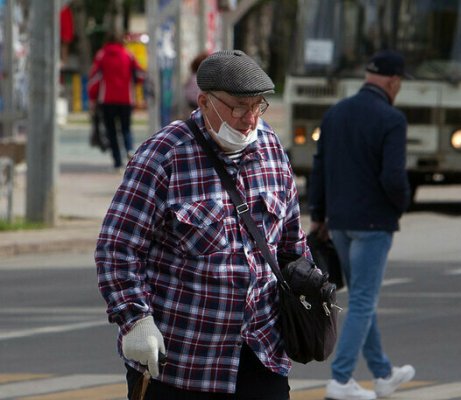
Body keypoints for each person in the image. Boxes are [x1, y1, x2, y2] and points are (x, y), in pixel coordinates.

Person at [95, 49, 310, 400]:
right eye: (238, 107)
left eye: (258, 106)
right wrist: (135, 319)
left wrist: (309, 288)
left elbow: (291, 243)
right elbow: (117, 248)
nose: (249, 118)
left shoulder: (271, 148)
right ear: (205, 101)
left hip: (262, 354)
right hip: (182, 364)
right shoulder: (163, 155)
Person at [309, 50, 415, 400]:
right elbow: (393, 178)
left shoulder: (336, 113)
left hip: (339, 223)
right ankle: (340, 380)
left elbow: (320, 169)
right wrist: (399, 207)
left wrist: (319, 216)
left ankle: (383, 373)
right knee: (364, 302)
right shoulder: (391, 119)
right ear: (394, 82)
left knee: (359, 298)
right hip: (373, 223)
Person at [87, 33, 146, 171]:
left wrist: (93, 97)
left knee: (111, 131)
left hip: (107, 99)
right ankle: (130, 152)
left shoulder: (101, 55)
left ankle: (117, 162)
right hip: (126, 99)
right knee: (126, 128)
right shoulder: (128, 55)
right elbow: (140, 74)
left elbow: (94, 79)